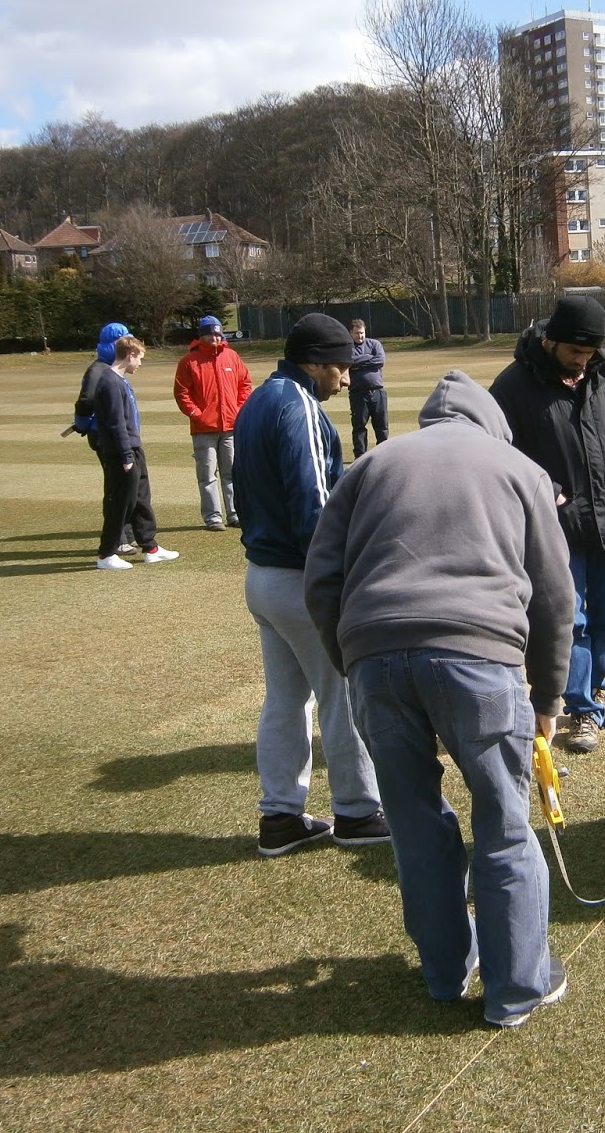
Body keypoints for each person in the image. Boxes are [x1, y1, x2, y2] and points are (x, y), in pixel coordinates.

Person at [304, 370, 575, 1029]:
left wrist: (354, 663)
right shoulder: (519, 468)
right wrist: (548, 695)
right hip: (481, 659)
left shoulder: (371, 463)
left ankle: (445, 972)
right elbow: (555, 595)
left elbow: (321, 580)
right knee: (505, 824)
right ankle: (517, 989)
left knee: (415, 823)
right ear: (491, 424)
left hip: (374, 657)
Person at [232, 313, 388, 855]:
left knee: (285, 700)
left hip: (263, 577)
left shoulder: (258, 399)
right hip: (301, 581)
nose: (347, 378)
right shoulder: (296, 405)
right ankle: (357, 812)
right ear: (314, 362)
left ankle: (280, 817)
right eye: (341, 367)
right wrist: (342, 581)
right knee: (342, 695)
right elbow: (316, 510)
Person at [490, 295, 605, 754]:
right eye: (574, 353)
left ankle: (594, 692)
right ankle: (579, 709)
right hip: (556, 527)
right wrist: (546, 491)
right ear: (549, 340)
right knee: (569, 621)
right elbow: (499, 452)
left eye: (589, 353)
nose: (582, 362)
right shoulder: (513, 385)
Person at [92, 335, 180, 571]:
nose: (140, 363)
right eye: (139, 358)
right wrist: (126, 456)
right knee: (121, 503)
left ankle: (150, 547)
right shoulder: (110, 382)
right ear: (129, 355)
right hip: (122, 452)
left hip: (133, 448)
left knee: (141, 499)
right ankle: (106, 554)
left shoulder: (119, 380)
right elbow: (115, 423)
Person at [173, 314, 252, 531]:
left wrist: (238, 408)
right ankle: (213, 517)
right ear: (202, 336)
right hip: (203, 429)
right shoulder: (189, 361)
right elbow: (182, 393)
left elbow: (245, 383)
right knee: (207, 475)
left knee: (232, 473)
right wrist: (196, 414)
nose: (215, 338)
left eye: (218, 334)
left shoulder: (232, 357)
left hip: (230, 426)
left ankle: (234, 514)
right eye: (210, 334)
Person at [75, 321, 135, 553]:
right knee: (116, 489)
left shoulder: (113, 369)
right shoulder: (98, 370)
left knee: (129, 490)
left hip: (120, 436)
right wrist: (82, 423)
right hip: (106, 437)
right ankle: (118, 540)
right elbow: (85, 401)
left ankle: (128, 535)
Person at [347, 318, 389, 458]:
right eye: (357, 333)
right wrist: (369, 359)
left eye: (362, 333)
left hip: (378, 392)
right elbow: (350, 362)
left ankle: (383, 455)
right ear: (351, 333)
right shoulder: (348, 347)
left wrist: (360, 361)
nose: (360, 336)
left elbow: (380, 360)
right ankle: (360, 457)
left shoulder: (375, 344)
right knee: (359, 428)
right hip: (358, 394)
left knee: (382, 427)